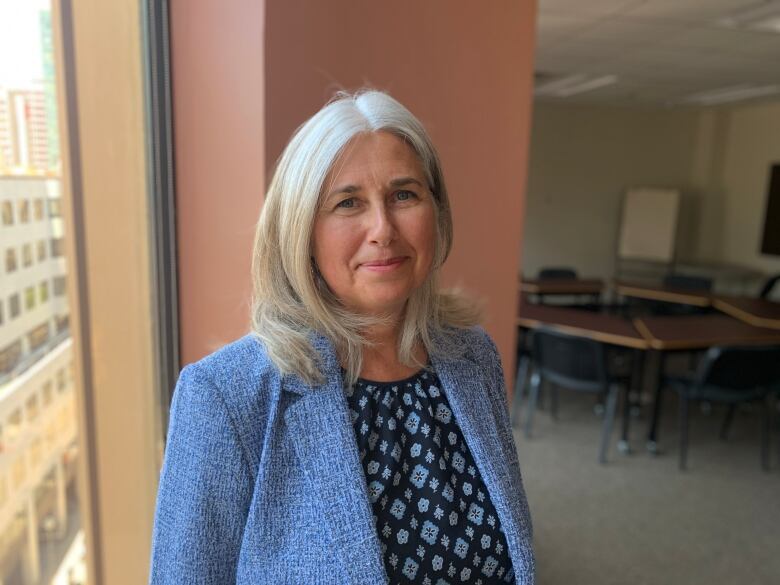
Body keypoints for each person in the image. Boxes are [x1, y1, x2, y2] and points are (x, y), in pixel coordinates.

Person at [149, 90, 534, 584]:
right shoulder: (225, 397)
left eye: (404, 195)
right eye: (348, 202)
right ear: (301, 231)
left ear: (436, 212)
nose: (382, 228)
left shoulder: (473, 356)